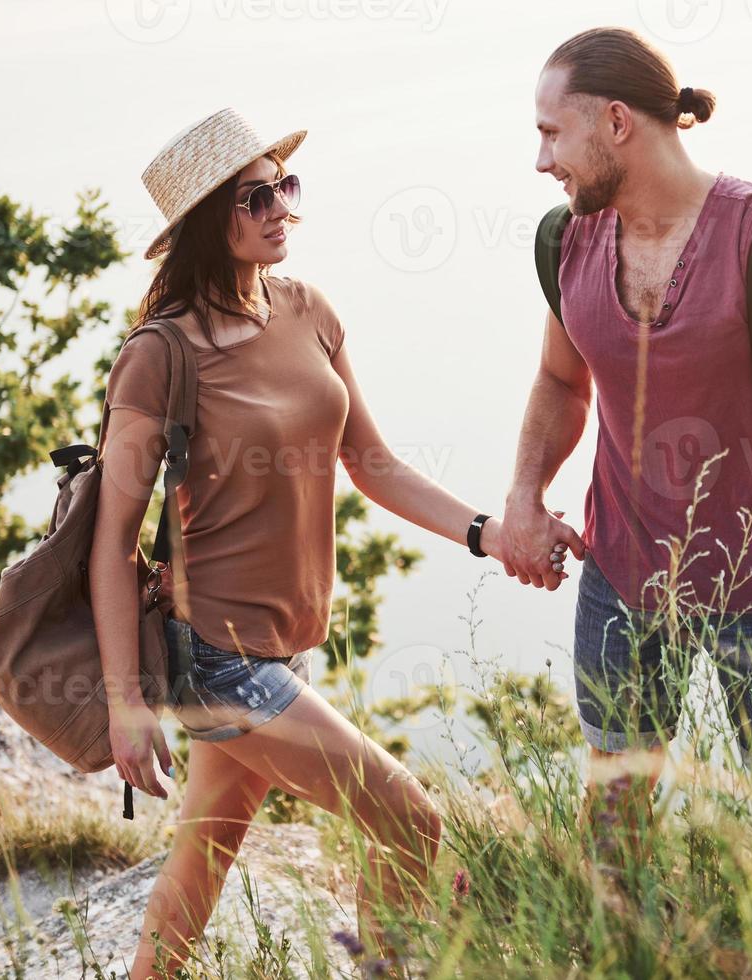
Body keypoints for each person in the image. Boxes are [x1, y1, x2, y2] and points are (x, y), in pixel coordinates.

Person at [89, 107, 584, 978]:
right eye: (256, 196)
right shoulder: (162, 354)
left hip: (286, 651)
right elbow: (110, 545)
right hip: (218, 661)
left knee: (202, 858)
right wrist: (128, 704)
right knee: (410, 822)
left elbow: (375, 463)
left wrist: (487, 531)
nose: (282, 205)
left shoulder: (306, 308)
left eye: (285, 184)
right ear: (211, 222)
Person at [494, 28, 752, 863]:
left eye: (548, 133)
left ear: (613, 123)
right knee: (613, 815)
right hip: (619, 579)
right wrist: (524, 496)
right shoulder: (568, 239)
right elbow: (561, 382)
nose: (540, 161)